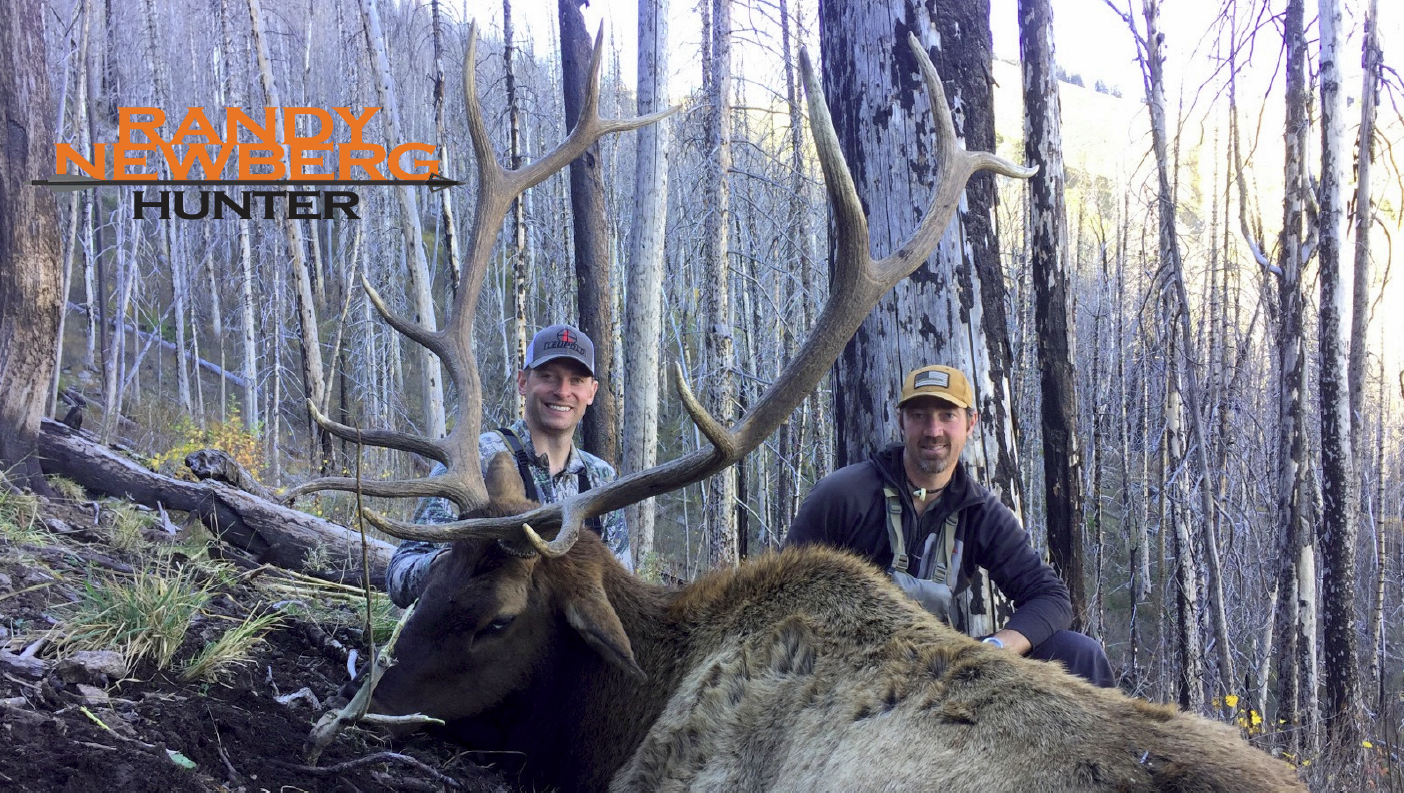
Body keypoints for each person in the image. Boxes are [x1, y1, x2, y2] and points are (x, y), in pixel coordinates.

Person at [785, 364, 1113, 687]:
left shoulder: (979, 512)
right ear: (901, 421)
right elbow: (784, 591)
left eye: (947, 415)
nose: (933, 430)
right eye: (918, 415)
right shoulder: (843, 494)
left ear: (971, 423)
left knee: (1078, 654)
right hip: (848, 670)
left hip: (935, 667)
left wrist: (994, 649)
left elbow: (1050, 597)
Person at [385, 323, 630, 607]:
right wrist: (456, 563)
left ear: (592, 392)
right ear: (523, 382)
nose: (563, 391)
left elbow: (620, 592)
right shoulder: (475, 461)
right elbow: (399, 575)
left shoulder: (602, 479)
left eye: (576, 380)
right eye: (548, 376)